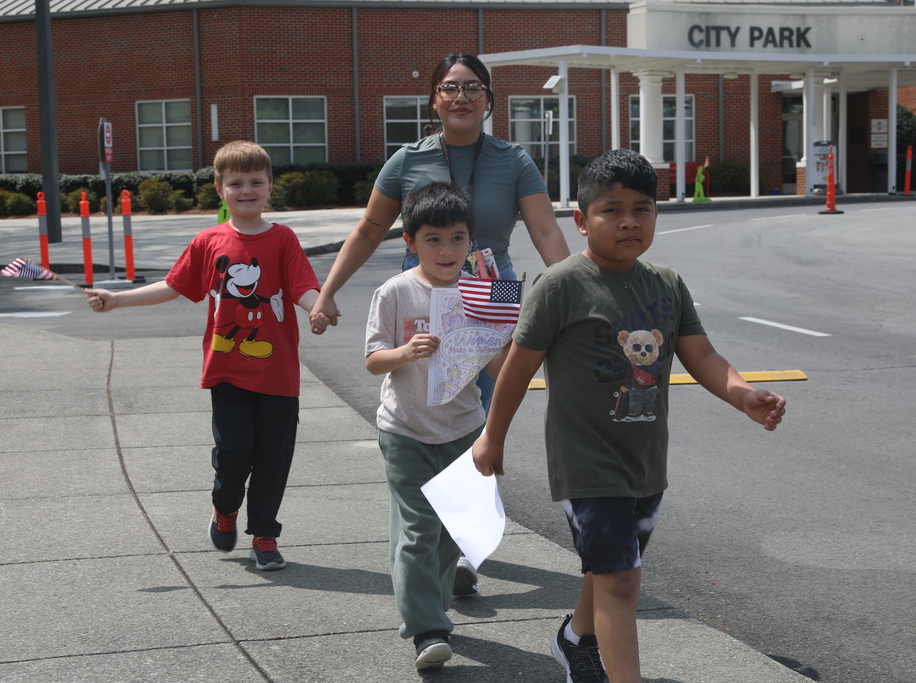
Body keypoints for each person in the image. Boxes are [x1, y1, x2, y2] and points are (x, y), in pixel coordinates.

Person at [471, 149, 786, 683]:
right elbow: (518, 368)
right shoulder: (562, 285)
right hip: (585, 461)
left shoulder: (665, 282)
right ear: (581, 220)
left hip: (643, 460)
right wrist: (491, 437)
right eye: (611, 209)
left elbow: (701, 356)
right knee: (621, 581)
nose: (628, 222)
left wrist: (743, 394)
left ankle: (575, 638)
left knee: (610, 565)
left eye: (642, 209)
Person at [310, 52, 571, 596]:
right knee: (424, 413)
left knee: (478, 417)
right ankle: (425, 536)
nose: (462, 97)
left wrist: (573, 290)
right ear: (434, 98)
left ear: (489, 100)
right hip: (422, 293)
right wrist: (328, 290)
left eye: (473, 88)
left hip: (492, 289)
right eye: (451, 88)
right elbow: (367, 229)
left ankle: (464, 549)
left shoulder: (514, 159)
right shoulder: (407, 160)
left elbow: (546, 232)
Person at [86, 140, 325, 571]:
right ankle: (225, 506)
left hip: (278, 374)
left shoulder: (283, 240)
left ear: (270, 186)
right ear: (220, 189)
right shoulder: (209, 241)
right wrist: (117, 299)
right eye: (236, 183)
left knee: (273, 458)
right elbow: (174, 287)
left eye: (256, 181)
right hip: (227, 371)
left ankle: (265, 536)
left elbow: (302, 286)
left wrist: (318, 307)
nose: (246, 190)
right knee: (234, 453)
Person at [365, 182, 508, 671]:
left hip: (463, 429)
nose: (446, 250)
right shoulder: (395, 292)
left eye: (457, 238)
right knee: (417, 529)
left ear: (471, 241)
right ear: (410, 242)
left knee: (454, 531)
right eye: (433, 239)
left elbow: (496, 370)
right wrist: (405, 352)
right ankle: (427, 629)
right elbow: (372, 360)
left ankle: (435, 603)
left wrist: (503, 332)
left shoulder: (480, 295)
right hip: (404, 429)